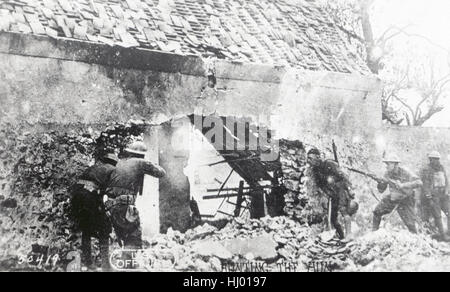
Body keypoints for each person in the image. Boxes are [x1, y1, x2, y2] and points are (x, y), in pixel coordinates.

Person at [105, 141, 166, 250]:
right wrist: (147, 163)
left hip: (111, 206)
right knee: (134, 237)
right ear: (141, 155)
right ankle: (129, 265)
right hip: (124, 206)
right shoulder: (139, 162)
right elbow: (161, 172)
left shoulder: (119, 163)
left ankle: (118, 262)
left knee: (121, 236)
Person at [70, 153, 118, 270]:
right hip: (90, 196)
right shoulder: (113, 170)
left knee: (86, 230)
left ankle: (88, 263)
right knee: (104, 228)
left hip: (77, 196)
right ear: (114, 162)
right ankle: (106, 266)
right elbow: (109, 191)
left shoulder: (93, 167)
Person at [307, 148, 356, 239]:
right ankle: (342, 237)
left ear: (317, 157)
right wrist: (328, 193)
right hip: (332, 194)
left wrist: (349, 189)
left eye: (310, 158)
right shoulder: (315, 171)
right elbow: (320, 185)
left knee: (344, 211)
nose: (308, 161)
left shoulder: (329, 163)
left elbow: (343, 176)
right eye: (308, 158)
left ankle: (349, 235)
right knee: (333, 219)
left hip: (341, 189)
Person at [373, 154, 422, 233]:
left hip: (406, 199)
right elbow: (381, 190)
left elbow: (419, 182)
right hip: (394, 197)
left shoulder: (405, 172)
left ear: (395, 164)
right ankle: (373, 232)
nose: (386, 166)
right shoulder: (387, 173)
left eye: (388, 164)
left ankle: (417, 239)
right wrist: (380, 183)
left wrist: (403, 185)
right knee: (377, 211)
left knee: (410, 224)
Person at [419, 151, 450, 240]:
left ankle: (449, 233)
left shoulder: (441, 167)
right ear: (430, 160)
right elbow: (425, 184)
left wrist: (447, 191)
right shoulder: (427, 169)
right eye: (433, 159)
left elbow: (446, 180)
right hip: (434, 195)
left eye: (437, 159)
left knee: (449, 212)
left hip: (443, 194)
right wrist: (428, 195)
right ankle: (442, 235)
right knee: (438, 216)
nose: (436, 161)